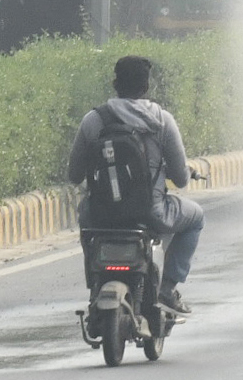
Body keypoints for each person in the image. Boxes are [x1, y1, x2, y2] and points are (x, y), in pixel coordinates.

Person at [68, 54, 203, 315]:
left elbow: (74, 174)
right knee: (196, 218)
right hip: (151, 212)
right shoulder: (162, 121)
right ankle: (167, 288)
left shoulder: (93, 120)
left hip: (100, 214)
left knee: (85, 220)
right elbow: (181, 178)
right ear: (146, 87)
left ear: (115, 83)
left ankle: (96, 285)